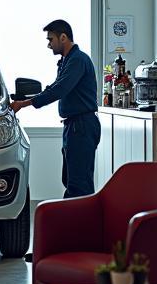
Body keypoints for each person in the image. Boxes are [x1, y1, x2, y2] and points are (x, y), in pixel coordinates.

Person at [10, 19, 101, 199]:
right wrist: (24, 99)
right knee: (70, 179)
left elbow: (59, 90)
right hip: (74, 126)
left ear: (63, 37)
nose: (49, 45)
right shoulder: (67, 61)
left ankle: (79, 225)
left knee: (78, 184)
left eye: (50, 40)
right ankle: (75, 223)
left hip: (81, 126)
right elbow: (54, 87)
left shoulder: (78, 60)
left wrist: (24, 104)